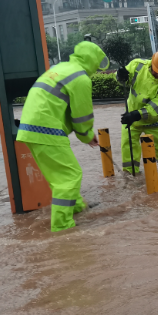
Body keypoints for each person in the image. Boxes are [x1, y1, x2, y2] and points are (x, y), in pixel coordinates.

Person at [16, 38, 109, 232]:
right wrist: (87, 135)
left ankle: (76, 208)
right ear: (93, 61)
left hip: (29, 128)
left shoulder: (62, 68)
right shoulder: (80, 78)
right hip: (46, 128)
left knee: (61, 176)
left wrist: (84, 133)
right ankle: (62, 227)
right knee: (69, 176)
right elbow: (82, 116)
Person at [113, 49, 158, 174]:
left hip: (157, 123)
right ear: (152, 62)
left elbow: (154, 108)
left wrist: (136, 114)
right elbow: (122, 79)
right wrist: (120, 76)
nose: (157, 75)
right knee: (128, 148)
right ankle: (131, 174)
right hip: (132, 120)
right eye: (155, 71)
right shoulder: (137, 65)